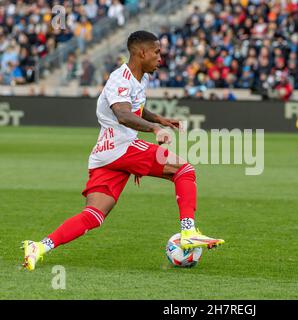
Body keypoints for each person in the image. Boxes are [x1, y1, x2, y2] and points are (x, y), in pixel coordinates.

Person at [22, 31, 225, 271]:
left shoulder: (140, 78)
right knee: (184, 170)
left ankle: (39, 246)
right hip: (122, 147)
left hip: (104, 155)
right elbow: (123, 114)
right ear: (142, 53)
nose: (161, 58)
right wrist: (154, 129)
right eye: (157, 52)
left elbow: (136, 108)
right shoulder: (120, 78)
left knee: (94, 215)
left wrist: (160, 119)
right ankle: (188, 230)